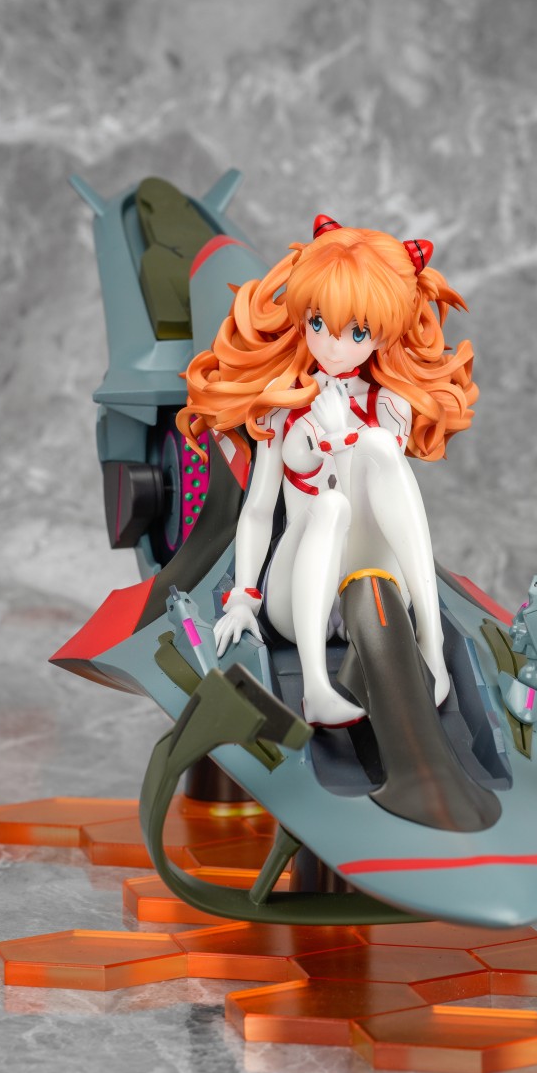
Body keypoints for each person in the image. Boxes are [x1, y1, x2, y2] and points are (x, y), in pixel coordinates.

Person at [177, 215, 477, 727]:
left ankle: (430, 644)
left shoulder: (389, 406)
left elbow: (391, 504)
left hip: (375, 580)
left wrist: (341, 440)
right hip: (298, 597)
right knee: (330, 505)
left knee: (379, 448)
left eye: (357, 332)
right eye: (318, 323)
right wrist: (243, 599)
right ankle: (316, 689)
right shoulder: (284, 406)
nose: (334, 346)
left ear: (383, 334)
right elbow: (258, 511)